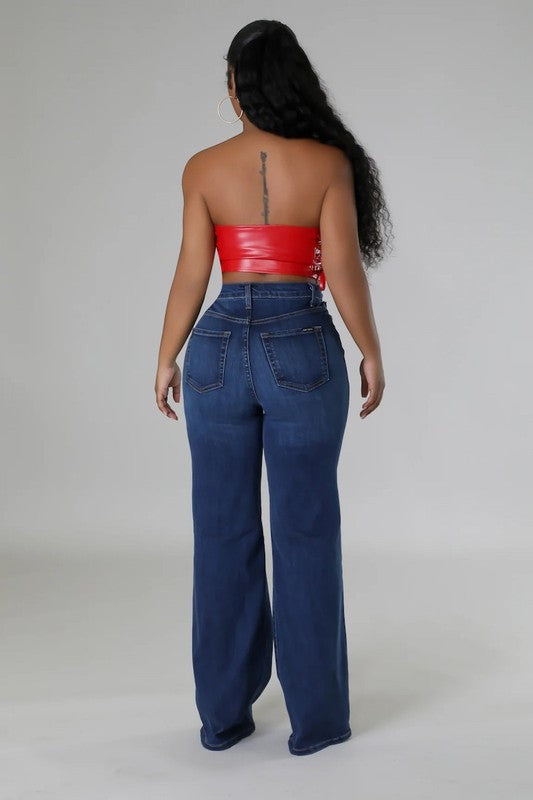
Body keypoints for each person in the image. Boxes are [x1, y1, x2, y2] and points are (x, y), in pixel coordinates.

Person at [155, 19, 392, 756]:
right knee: (306, 532)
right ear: (294, 83)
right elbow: (342, 268)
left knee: (221, 533)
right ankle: (316, 722)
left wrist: (166, 356)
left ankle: (223, 718)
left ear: (235, 87)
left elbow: (193, 269)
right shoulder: (327, 163)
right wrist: (370, 349)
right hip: (302, 344)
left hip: (217, 348)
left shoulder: (202, 168)